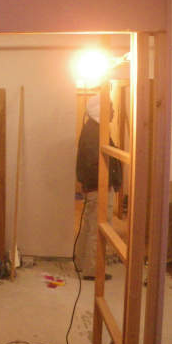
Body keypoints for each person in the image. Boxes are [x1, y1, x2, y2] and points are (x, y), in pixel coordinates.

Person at [75, 95, 122, 280]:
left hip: (95, 187)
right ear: (99, 110)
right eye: (110, 108)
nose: (113, 111)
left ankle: (81, 262)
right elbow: (95, 164)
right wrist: (105, 184)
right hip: (99, 187)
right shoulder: (95, 132)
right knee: (98, 228)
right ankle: (92, 270)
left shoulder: (93, 129)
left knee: (89, 225)